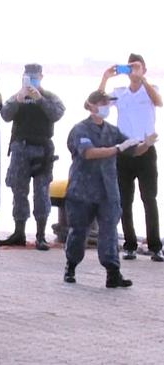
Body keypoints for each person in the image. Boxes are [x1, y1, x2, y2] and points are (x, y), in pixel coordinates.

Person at [63, 90, 157, 288]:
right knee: (79, 232)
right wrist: (117, 149)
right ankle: (71, 266)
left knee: (109, 232)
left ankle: (113, 273)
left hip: (108, 190)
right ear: (91, 106)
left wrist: (145, 145)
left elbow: (132, 150)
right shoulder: (81, 129)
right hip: (83, 190)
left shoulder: (112, 130)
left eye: (108, 103)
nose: (106, 107)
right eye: (102, 103)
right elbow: (88, 153)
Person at [98, 53, 164, 262]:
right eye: (131, 68)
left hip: (146, 149)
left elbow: (159, 102)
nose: (134, 71)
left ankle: (155, 246)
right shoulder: (120, 93)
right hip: (125, 150)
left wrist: (142, 79)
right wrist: (105, 78)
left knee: (149, 199)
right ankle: (130, 245)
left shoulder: (150, 89)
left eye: (137, 67)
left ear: (144, 69)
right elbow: (99, 108)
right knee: (124, 200)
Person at [0, 64, 65, 250]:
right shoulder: (18, 97)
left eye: (35, 77)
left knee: (42, 192)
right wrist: (18, 99)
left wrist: (40, 99)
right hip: (21, 147)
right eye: (29, 77)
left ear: (41, 77)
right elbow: (5, 115)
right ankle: (19, 231)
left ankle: (41, 235)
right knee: (18, 190)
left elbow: (57, 113)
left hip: (42, 149)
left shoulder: (50, 97)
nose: (32, 80)